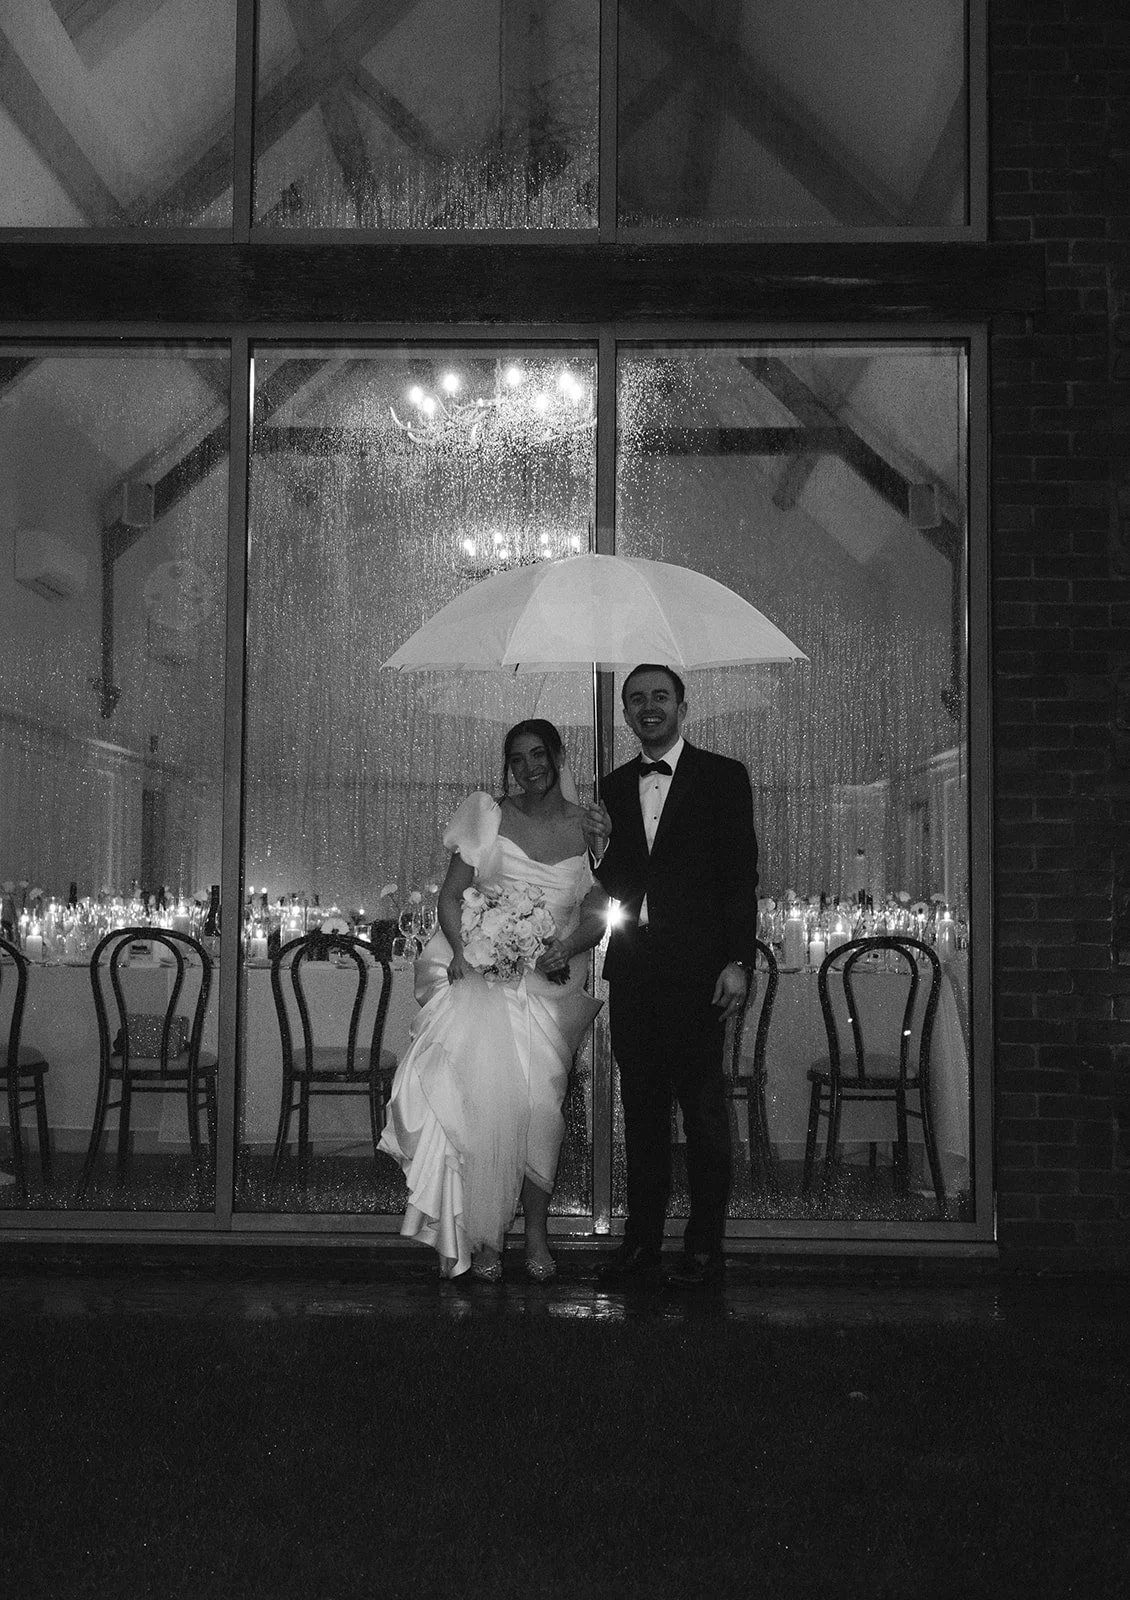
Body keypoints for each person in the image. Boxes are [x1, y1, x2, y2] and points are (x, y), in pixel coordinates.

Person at [379, 720, 608, 1282]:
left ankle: (536, 1233)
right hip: (488, 986)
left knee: (541, 1112)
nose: (530, 767)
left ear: (559, 756)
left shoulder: (590, 826)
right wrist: (464, 951)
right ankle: (486, 1234)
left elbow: (599, 911)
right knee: (483, 1109)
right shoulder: (488, 815)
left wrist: (566, 946)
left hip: (551, 990)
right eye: (518, 758)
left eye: (539, 754)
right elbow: (451, 896)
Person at [592, 664, 759, 1289]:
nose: (648, 707)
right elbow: (617, 882)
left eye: (660, 696)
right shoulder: (612, 786)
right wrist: (598, 849)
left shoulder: (724, 776)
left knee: (704, 1113)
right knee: (641, 1114)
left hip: (699, 974)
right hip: (634, 970)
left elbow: (740, 877)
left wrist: (738, 961)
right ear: (626, 714)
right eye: (637, 699)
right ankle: (641, 1243)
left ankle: (705, 1245)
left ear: (682, 707)